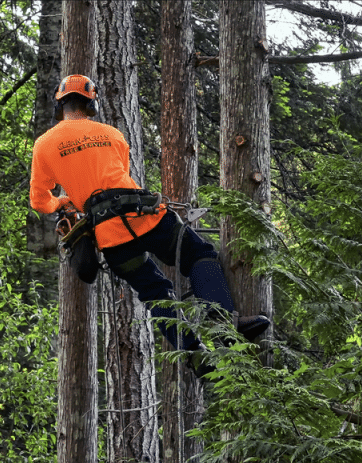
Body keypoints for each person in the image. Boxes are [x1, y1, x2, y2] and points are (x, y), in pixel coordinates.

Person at [29, 74, 269, 375]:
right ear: (91, 103)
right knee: (200, 255)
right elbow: (121, 175)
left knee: (154, 292)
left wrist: (62, 202)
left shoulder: (44, 144)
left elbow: (39, 200)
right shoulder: (111, 134)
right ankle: (223, 324)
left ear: (60, 103)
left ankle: (196, 355)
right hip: (144, 216)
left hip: (110, 236)